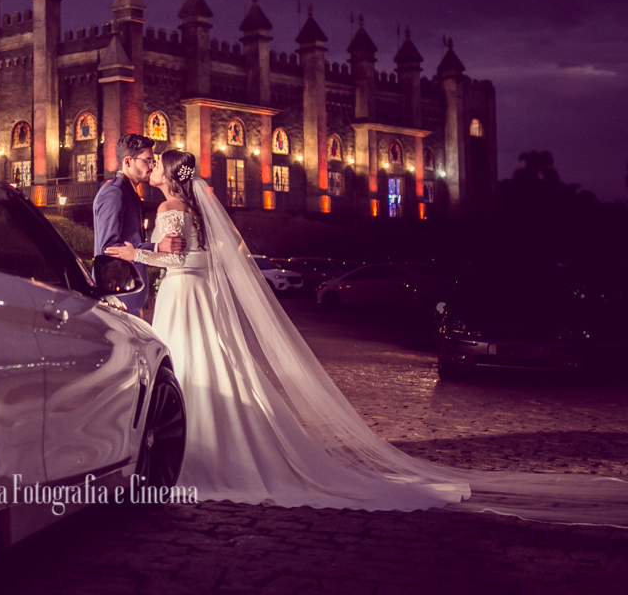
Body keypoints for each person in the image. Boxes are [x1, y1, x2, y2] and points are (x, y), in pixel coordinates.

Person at [105, 150, 628, 522]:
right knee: (210, 368)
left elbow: (179, 259)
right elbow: (208, 257)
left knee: (189, 370)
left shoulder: (170, 210)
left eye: (157, 166)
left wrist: (136, 254)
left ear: (170, 177)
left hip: (183, 297)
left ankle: (197, 453)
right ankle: (212, 444)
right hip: (197, 299)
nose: (152, 172)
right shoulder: (197, 208)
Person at [93, 134, 183, 315]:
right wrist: (157, 247)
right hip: (117, 298)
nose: (151, 166)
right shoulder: (114, 193)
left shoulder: (129, 193)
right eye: (147, 160)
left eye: (153, 161)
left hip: (129, 296)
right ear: (128, 162)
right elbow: (109, 248)